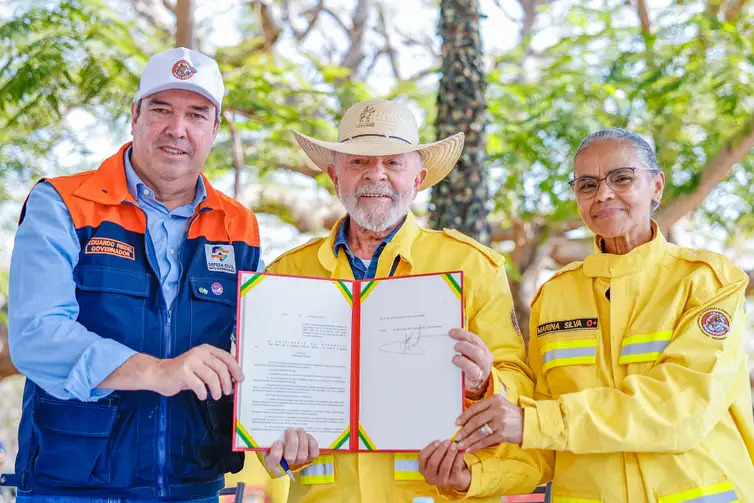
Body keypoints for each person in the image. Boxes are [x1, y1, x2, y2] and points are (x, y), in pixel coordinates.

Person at [3, 48, 261, 501]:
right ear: (134, 116)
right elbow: (36, 336)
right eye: (161, 109)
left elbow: (259, 349)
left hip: (193, 486)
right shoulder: (62, 204)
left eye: (197, 115)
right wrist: (158, 371)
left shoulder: (239, 224)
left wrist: (285, 423)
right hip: (71, 486)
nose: (177, 129)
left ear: (215, 130)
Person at [259, 99, 547, 502]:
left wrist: (484, 381)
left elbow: (521, 392)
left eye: (393, 163)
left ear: (418, 178)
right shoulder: (283, 275)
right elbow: (266, 409)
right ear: (333, 175)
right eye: (358, 162)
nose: (375, 174)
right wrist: (274, 444)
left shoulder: (475, 266)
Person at [453, 128, 754, 501]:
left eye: (622, 178)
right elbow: (540, 448)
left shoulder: (706, 282)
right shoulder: (555, 296)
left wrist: (535, 421)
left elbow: (680, 411)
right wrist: (473, 477)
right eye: (587, 185)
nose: (604, 194)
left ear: (656, 186)